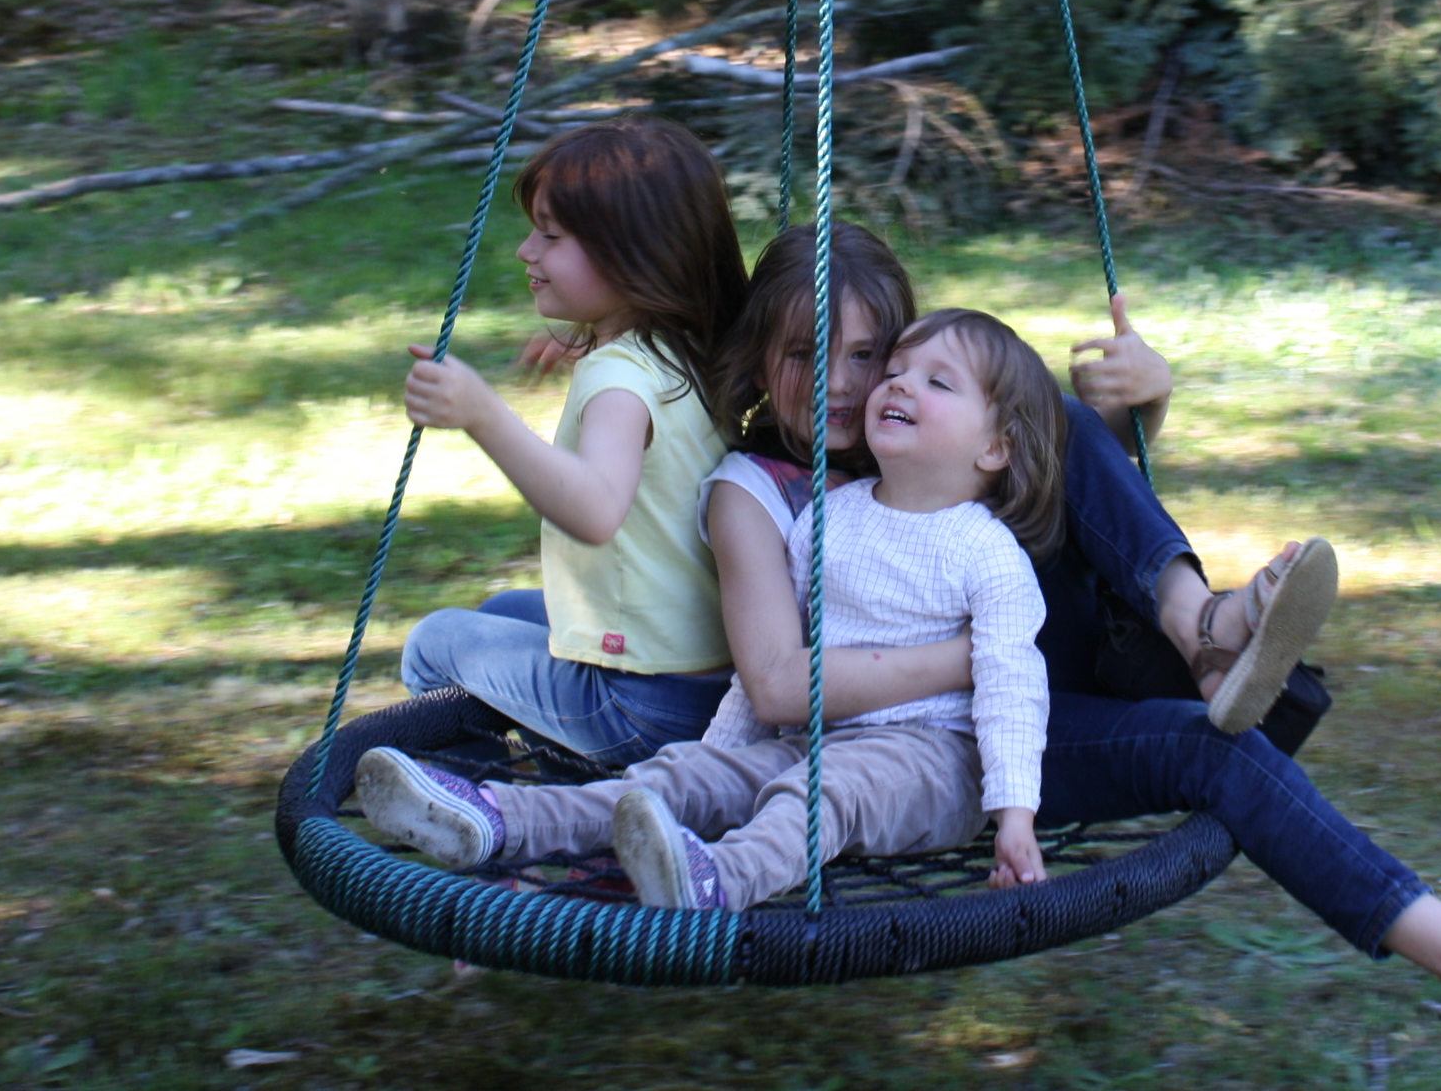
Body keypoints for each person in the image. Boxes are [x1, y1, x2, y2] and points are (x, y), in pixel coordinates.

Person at [706, 222, 1441, 1072]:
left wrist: (1140, 408)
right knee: (1208, 746)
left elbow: (1044, 495)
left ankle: (1197, 622)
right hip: (947, 735)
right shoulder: (766, 491)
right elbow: (782, 686)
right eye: (804, 353)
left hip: (1032, 678)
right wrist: (989, 656)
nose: (843, 381)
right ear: (757, 359)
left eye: (875, 354)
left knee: (1057, 412)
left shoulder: (914, 444)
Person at [355, 309, 1068, 909]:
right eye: (897, 371)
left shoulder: (989, 554)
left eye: (936, 382)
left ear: (997, 446)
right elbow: (765, 668)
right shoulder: (829, 519)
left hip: (935, 765)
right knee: (674, 779)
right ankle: (502, 819)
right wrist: (714, 763)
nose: (897, 384)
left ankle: (720, 881)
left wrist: (1014, 817)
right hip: (815, 744)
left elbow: (1013, 688)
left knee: (814, 793)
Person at [388, 117, 749, 767]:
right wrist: (586, 334)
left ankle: (477, 812)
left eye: (551, 236)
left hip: (638, 706)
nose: (527, 250)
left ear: (631, 255)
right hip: (708, 682)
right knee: (504, 610)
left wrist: (483, 415)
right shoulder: (690, 346)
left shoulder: (619, 379)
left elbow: (595, 509)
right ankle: (550, 782)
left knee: (435, 641)